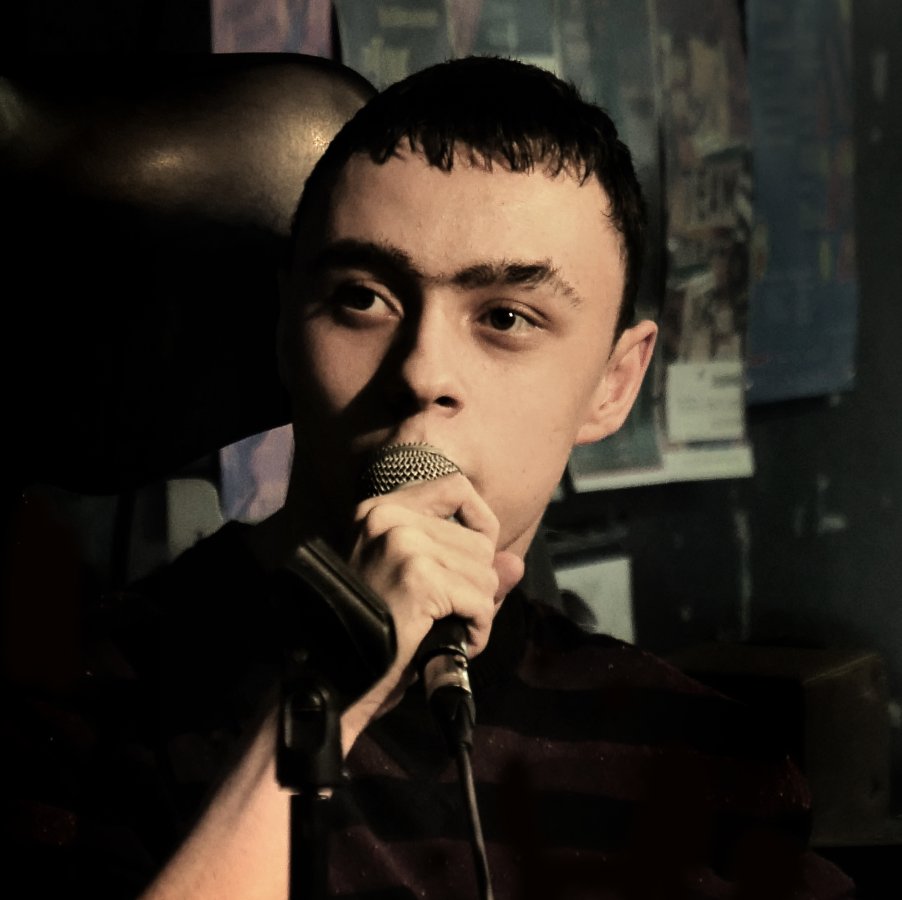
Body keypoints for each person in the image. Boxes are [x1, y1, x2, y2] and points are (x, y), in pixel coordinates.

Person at [6, 56, 855, 899]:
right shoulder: (82, 698)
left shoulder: (704, 761)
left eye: (506, 317)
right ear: (284, 327)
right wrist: (327, 699)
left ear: (613, 383)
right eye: (362, 299)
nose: (422, 371)